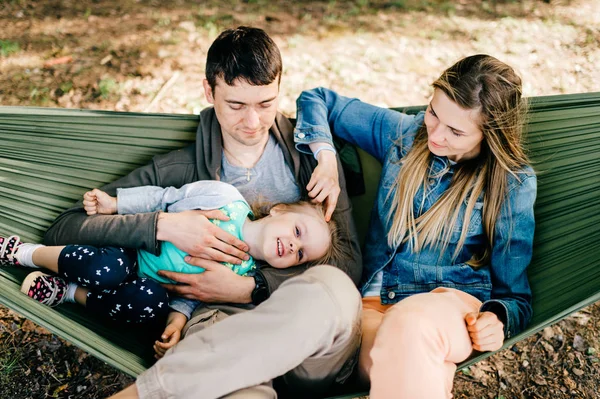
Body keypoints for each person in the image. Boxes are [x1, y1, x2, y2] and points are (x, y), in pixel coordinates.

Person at [43, 26, 363, 399]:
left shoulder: (313, 160)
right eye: (236, 105)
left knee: (335, 290)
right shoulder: (178, 173)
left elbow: (350, 263)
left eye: (265, 104)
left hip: (310, 338)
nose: (254, 122)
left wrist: (253, 287)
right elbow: (65, 228)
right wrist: (163, 225)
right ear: (209, 92)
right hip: (219, 333)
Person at [293, 54, 537, 398]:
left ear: (489, 136)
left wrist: (497, 318)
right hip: (372, 307)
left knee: (411, 326)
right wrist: (327, 158)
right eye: (433, 112)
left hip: (449, 305)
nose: (435, 134)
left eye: (455, 131)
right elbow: (316, 98)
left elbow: (515, 297)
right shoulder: (405, 135)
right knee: (389, 364)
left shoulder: (510, 183)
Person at [2, 180, 344, 358]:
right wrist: (116, 203)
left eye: (299, 255)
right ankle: (27, 253)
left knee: (151, 303)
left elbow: (191, 296)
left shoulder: (241, 274)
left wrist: (176, 325)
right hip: (129, 250)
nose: (292, 245)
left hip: (144, 287)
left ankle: (68, 293)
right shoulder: (226, 200)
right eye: (297, 232)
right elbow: (163, 198)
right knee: (109, 267)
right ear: (279, 210)